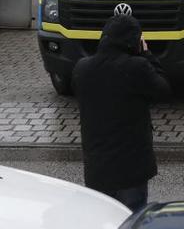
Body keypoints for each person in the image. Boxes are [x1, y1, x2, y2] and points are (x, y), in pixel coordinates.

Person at [72, 13, 171, 211]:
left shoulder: (82, 68)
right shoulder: (137, 67)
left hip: (97, 169)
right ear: (132, 42)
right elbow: (163, 89)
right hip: (130, 171)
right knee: (130, 219)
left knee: (102, 220)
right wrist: (147, 54)